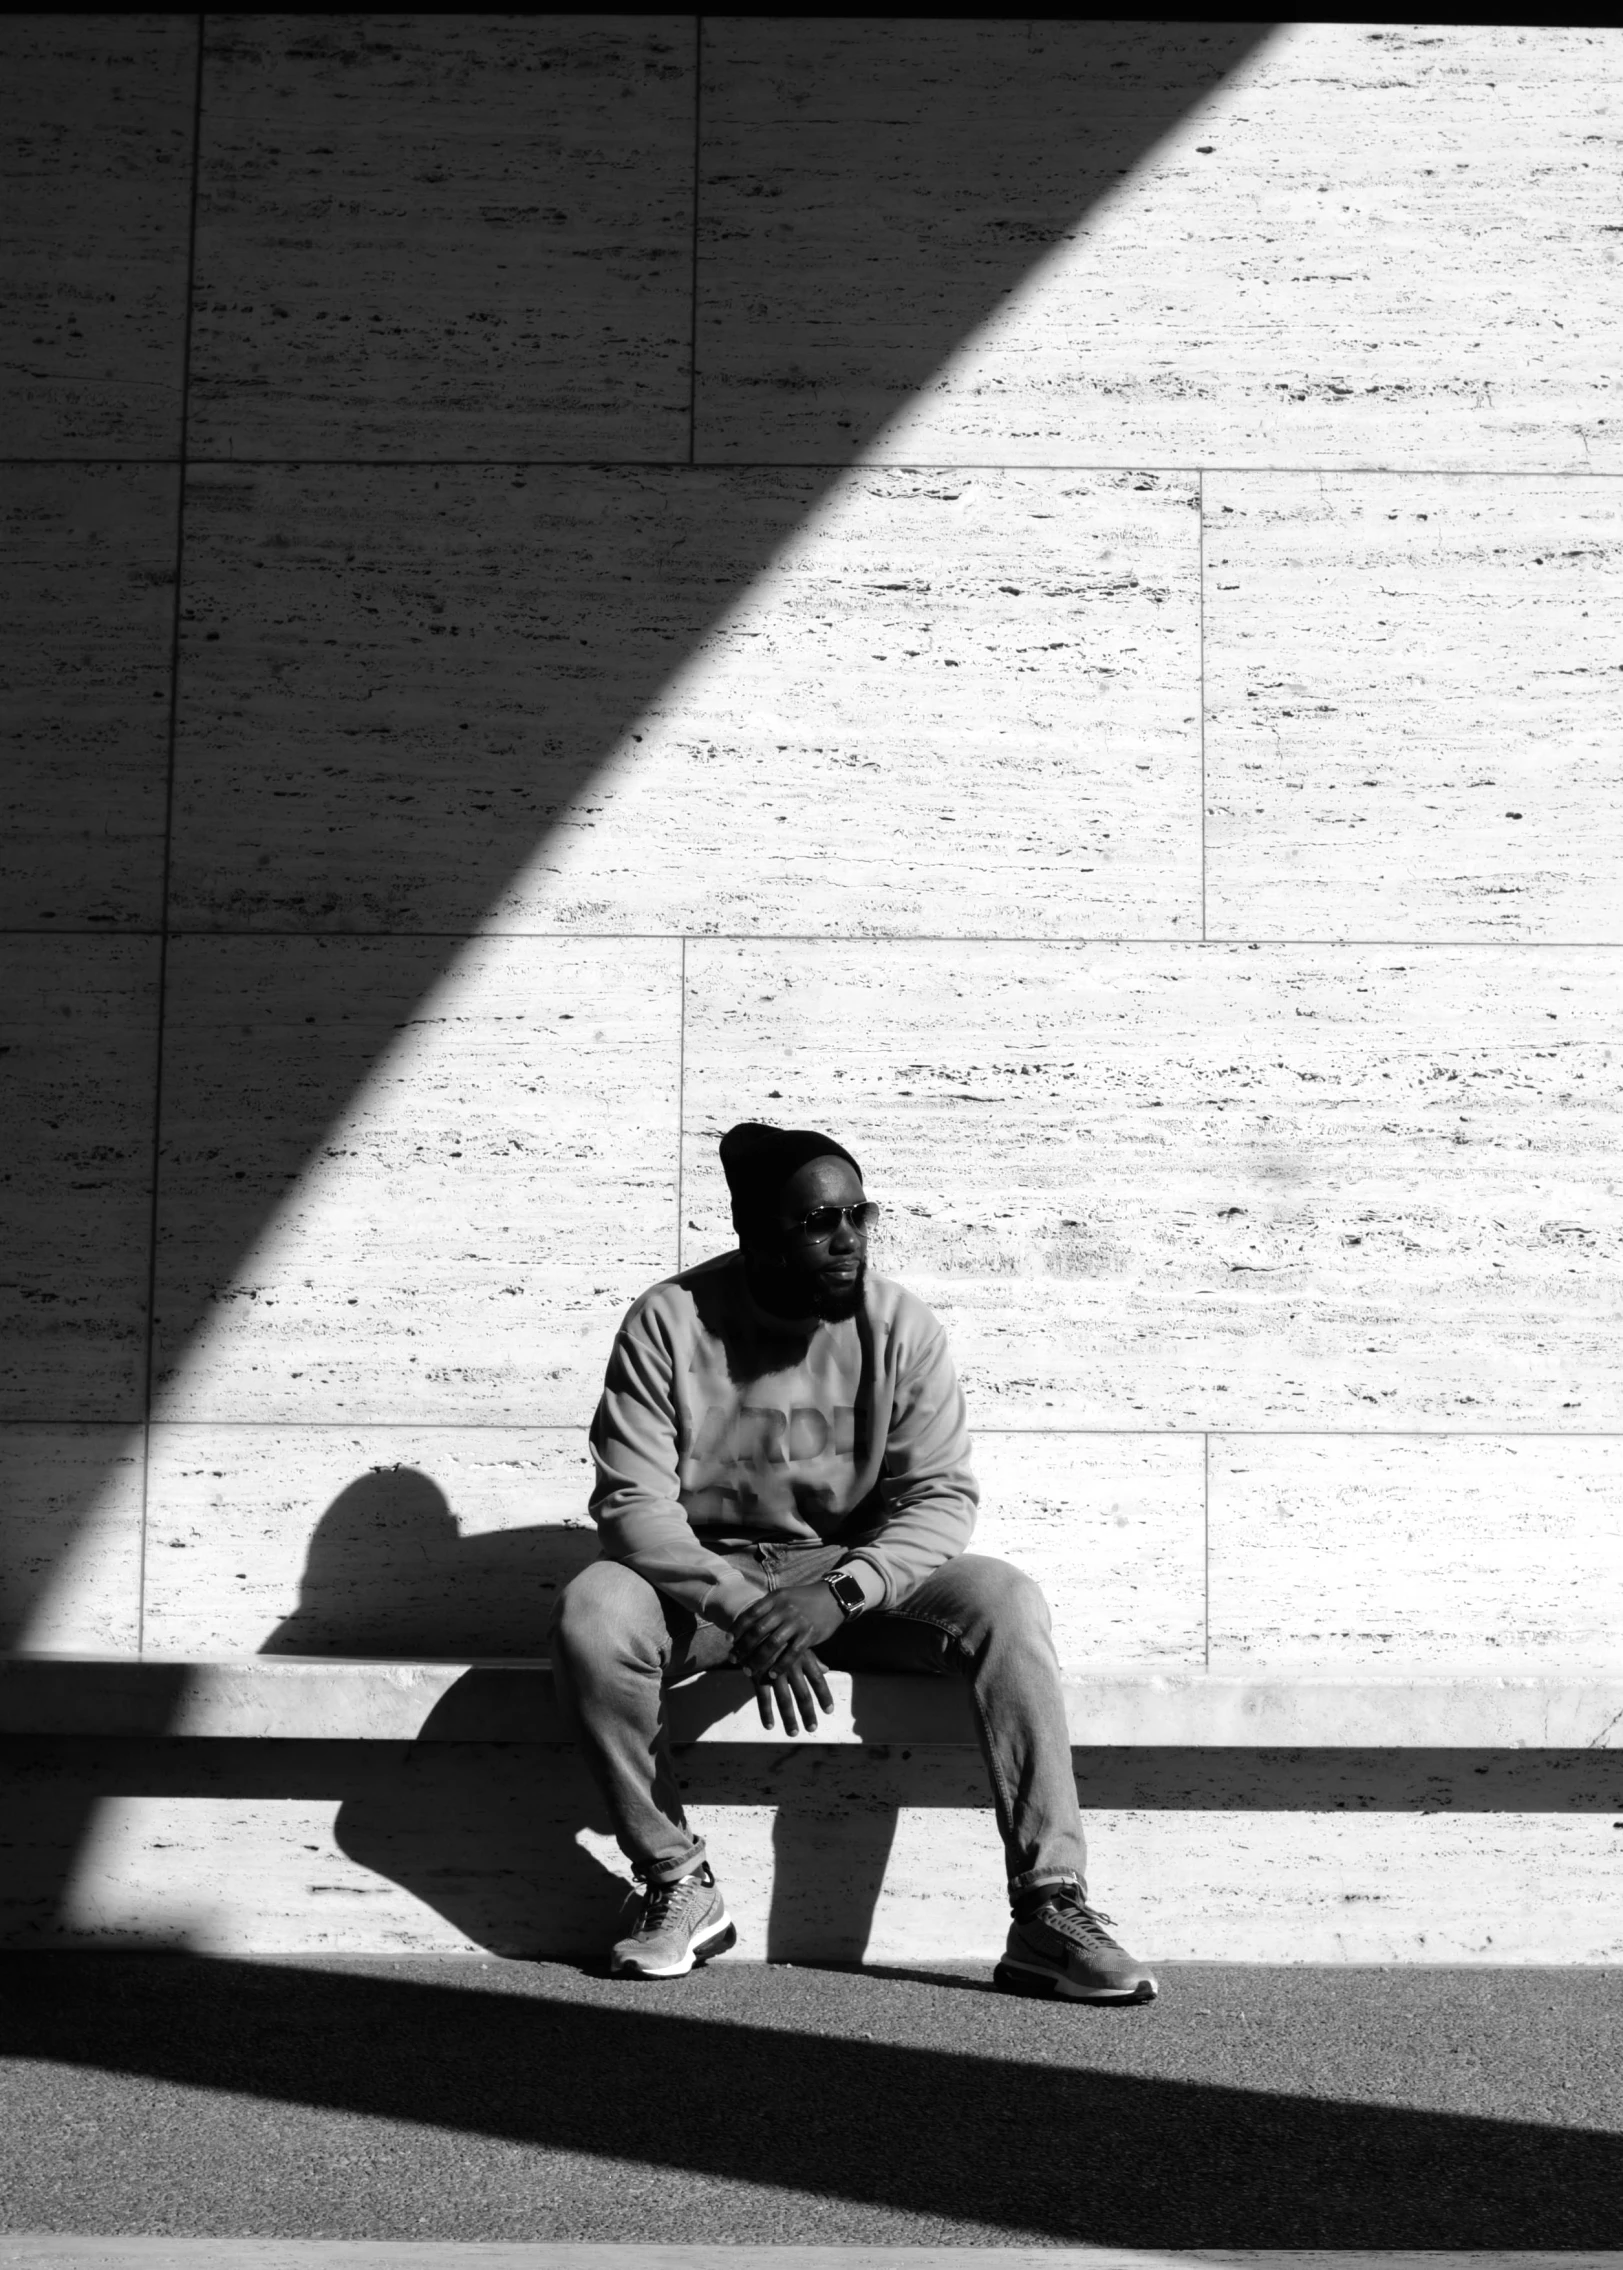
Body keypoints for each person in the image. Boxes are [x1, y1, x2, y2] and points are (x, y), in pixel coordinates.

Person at [549, 1120, 1157, 2002]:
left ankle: (1048, 1909)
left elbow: (940, 1497)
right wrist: (741, 1605)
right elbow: (631, 1506)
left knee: (1006, 1602)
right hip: (706, 1581)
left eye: (859, 1214)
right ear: (756, 1234)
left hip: (850, 1577)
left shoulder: (896, 1324)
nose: (848, 1239)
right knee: (592, 1614)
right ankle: (676, 1878)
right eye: (818, 1221)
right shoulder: (668, 1323)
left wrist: (838, 1593)